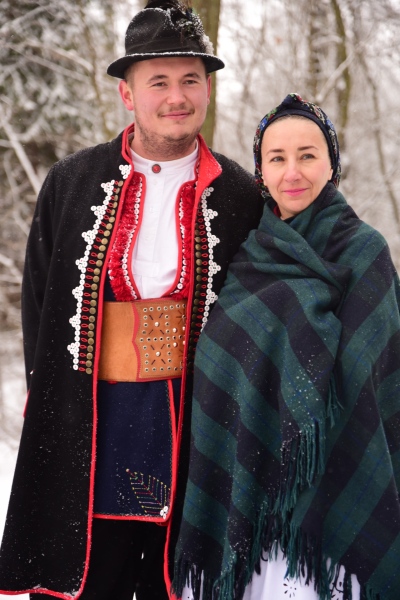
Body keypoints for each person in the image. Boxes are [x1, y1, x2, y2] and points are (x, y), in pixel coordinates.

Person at [0, 2, 264, 599]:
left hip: (192, 429)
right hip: (91, 420)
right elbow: (39, 302)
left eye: (191, 80)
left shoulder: (242, 196)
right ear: (127, 94)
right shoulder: (70, 182)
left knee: (178, 583)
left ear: (208, 89)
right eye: (159, 82)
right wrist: (49, 402)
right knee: (92, 578)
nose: (177, 97)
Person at [171, 93, 400, 600]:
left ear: (332, 164)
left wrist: (303, 430)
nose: (292, 172)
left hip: (330, 502)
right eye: (277, 158)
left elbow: (371, 385)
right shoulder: (247, 255)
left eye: (307, 155)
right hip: (248, 500)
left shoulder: (365, 254)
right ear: (261, 172)